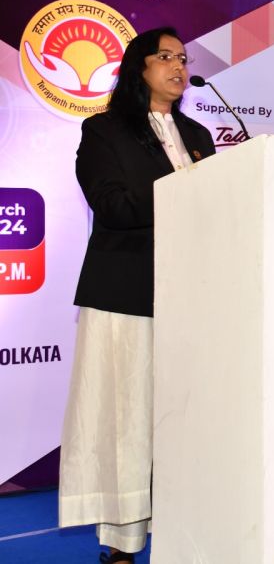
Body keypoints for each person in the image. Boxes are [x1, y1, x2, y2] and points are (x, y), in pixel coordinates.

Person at [59, 27, 216, 562]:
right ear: (139, 67)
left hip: (192, 297)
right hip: (126, 295)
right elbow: (112, 206)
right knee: (127, 422)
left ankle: (188, 527)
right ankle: (122, 544)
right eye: (165, 56)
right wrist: (184, 190)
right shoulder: (104, 130)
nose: (179, 66)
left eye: (184, 58)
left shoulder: (198, 133)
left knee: (186, 418)